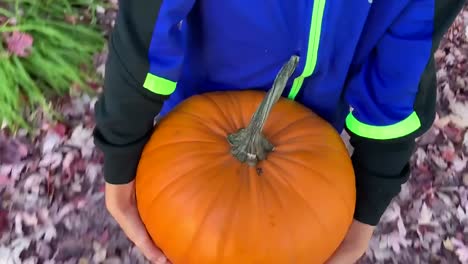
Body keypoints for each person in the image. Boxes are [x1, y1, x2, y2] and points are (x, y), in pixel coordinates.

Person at [93, 1, 465, 263]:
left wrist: (369, 200)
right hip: (196, 129)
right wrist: (122, 146)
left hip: (309, 149)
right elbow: (151, 23)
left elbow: (401, 71)